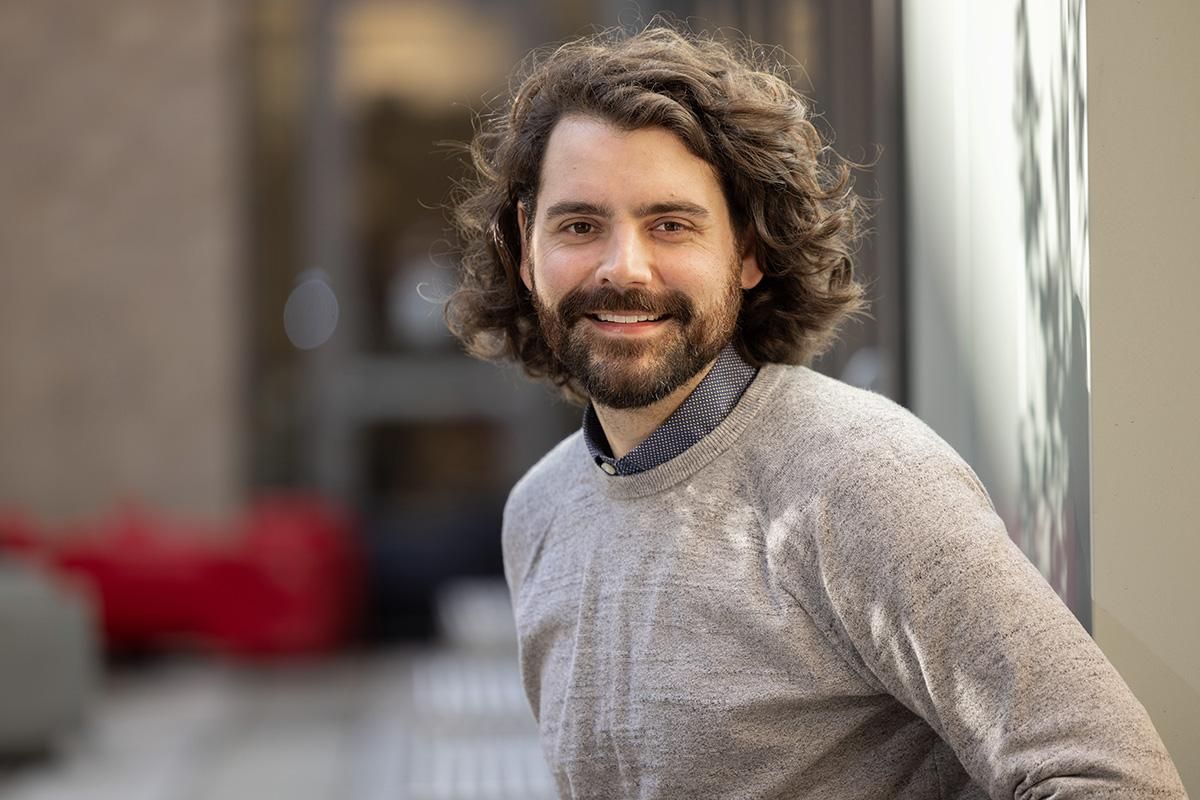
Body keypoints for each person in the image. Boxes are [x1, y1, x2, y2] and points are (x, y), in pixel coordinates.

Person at [444, 24, 1187, 800]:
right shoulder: (540, 513)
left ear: (749, 250)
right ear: (527, 248)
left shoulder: (865, 479)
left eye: (671, 224)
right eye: (580, 225)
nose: (622, 266)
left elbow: (1113, 779)